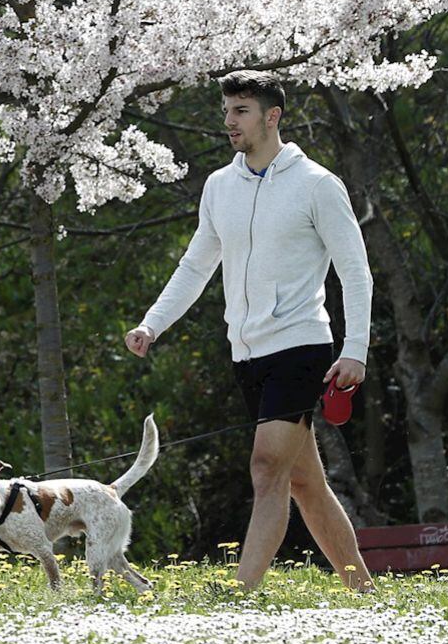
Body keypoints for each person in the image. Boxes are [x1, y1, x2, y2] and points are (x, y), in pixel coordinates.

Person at [124, 70, 374, 592]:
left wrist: (356, 351)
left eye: (241, 111)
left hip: (301, 346)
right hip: (246, 353)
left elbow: (355, 271)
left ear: (272, 116)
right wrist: (153, 322)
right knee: (306, 482)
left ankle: (241, 591)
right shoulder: (219, 187)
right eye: (226, 111)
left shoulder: (318, 185)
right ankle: (363, 589)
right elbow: (196, 266)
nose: (229, 121)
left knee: (266, 470)